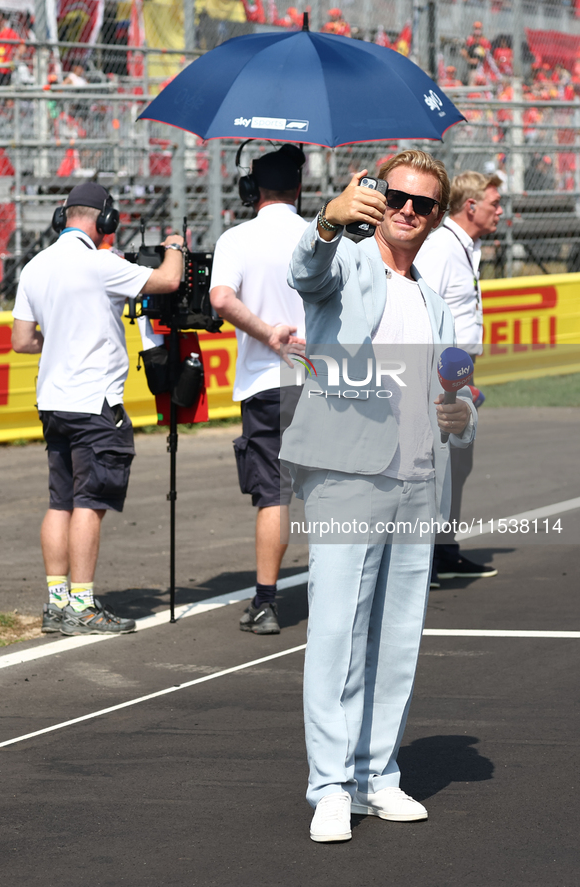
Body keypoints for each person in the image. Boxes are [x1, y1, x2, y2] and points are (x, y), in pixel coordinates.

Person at [280, 150, 476, 842]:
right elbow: (304, 271)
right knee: (335, 628)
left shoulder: (431, 298)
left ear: (433, 216)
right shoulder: (348, 262)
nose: (406, 210)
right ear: (376, 196)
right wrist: (328, 222)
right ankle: (329, 784)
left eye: (422, 204)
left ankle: (375, 775)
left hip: (419, 475)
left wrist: (460, 415)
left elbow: (455, 390)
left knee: (396, 634)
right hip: (345, 471)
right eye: (396, 196)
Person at [11, 182, 184, 636]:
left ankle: (56, 602)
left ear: (61, 215)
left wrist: (62, 340)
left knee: (60, 501)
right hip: (95, 404)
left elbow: (22, 341)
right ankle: (83, 603)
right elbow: (168, 281)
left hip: (53, 400)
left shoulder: (34, 266)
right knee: (90, 501)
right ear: (106, 220)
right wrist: (175, 248)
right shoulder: (100, 262)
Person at [210, 144, 307, 635]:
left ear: (251, 191)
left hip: (268, 384)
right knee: (337, 492)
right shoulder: (320, 236)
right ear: (299, 188)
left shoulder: (237, 238)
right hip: (324, 379)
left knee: (274, 495)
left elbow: (221, 299)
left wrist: (268, 331)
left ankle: (266, 603)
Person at [416, 170, 502, 585]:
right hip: (442, 372)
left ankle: (444, 548)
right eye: (493, 203)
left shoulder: (465, 246)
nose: (500, 211)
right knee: (436, 464)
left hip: (458, 369)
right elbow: (425, 314)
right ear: (471, 207)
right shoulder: (442, 248)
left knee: (457, 465)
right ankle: (424, 556)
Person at [0, 11, 22, 86]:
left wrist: (16, 57)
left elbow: (21, 46)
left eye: (0, 19)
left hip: (4, 69)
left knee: (5, 91)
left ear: (5, 20)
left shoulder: (10, 33)